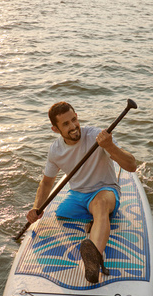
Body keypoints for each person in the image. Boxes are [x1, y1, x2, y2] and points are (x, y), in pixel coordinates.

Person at [26, 102, 137, 283]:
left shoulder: (96, 136)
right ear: (55, 129)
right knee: (61, 214)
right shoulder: (55, 150)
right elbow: (47, 183)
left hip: (105, 190)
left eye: (74, 120)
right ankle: (97, 221)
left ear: (77, 116)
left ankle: (94, 259)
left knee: (100, 205)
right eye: (66, 124)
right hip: (78, 196)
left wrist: (109, 146)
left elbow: (131, 166)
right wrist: (36, 208)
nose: (73, 126)